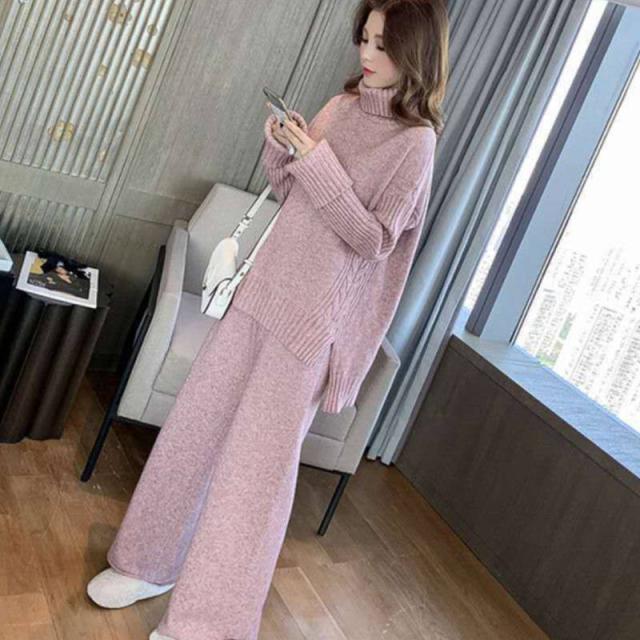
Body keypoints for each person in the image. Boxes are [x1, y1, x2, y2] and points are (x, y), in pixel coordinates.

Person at [86, 1, 448, 639]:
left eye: (382, 45)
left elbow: (372, 241)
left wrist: (317, 162)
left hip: (310, 332)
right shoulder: (341, 108)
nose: (366, 54)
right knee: (192, 432)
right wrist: (283, 149)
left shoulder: (415, 144)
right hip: (258, 296)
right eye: (364, 38)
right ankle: (149, 562)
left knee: (251, 483)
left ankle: (208, 623)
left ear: (415, 54)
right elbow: (295, 197)